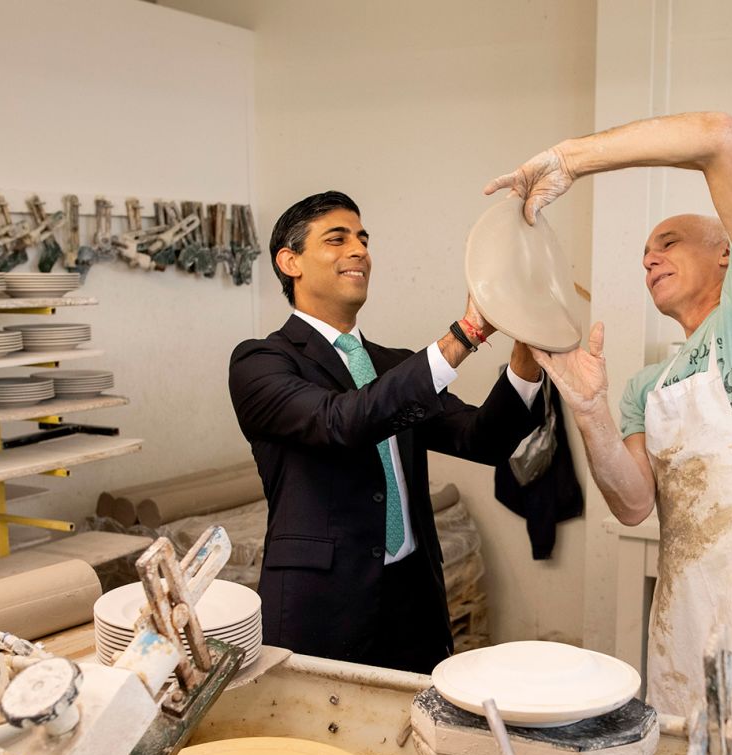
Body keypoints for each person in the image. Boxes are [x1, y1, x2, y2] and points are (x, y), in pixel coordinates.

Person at [485, 112, 732, 739]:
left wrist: (571, 159)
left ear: (725, 254)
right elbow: (634, 505)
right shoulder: (645, 388)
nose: (650, 258)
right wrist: (589, 411)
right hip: (690, 610)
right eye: (643, 254)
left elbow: (718, 137)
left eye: (668, 241)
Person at [228, 191, 543, 674]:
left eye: (363, 239)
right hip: (322, 606)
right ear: (290, 262)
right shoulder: (261, 362)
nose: (359, 250)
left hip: (413, 600)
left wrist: (527, 351)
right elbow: (341, 422)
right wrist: (467, 334)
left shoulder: (393, 366)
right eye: (337, 239)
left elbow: (483, 439)